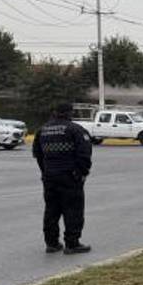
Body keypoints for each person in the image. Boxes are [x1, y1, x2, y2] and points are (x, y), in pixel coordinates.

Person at [32, 102, 93, 254]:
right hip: (69, 177)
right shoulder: (76, 130)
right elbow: (84, 155)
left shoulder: (43, 130)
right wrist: (81, 173)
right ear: (70, 113)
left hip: (50, 176)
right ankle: (72, 244)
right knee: (73, 210)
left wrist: (45, 171)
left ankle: (52, 243)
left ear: (55, 112)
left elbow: (38, 154)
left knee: (51, 210)